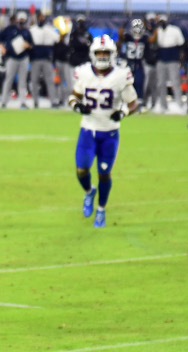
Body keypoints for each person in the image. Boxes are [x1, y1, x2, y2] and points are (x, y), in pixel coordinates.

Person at [68, 34, 138, 228]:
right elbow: (73, 97)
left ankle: (101, 209)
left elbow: (133, 103)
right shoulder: (84, 73)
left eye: (105, 52)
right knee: (81, 169)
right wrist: (77, 106)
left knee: (104, 174)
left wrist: (122, 112)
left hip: (110, 134)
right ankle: (89, 191)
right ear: (93, 54)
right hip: (88, 131)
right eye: (98, 52)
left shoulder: (120, 75)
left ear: (112, 54)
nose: (101, 56)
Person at [0, 11, 33, 109]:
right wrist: (2, 47)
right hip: (12, 58)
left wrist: (28, 46)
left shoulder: (26, 31)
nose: (21, 21)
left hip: (23, 58)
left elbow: (31, 45)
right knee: (8, 79)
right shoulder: (10, 29)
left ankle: (22, 102)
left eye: (23, 20)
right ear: (17, 19)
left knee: (22, 81)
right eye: (20, 19)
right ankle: (4, 102)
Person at [150, 14, 184, 113]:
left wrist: (180, 60)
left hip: (172, 58)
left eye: (163, 22)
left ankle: (179, 105)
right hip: (161, 57)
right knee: (161, 83)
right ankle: (163, 105)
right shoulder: (158, 31)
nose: (162, 24)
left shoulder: (175, 30)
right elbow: (153, 44)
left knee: (175, 82)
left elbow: (181, 44)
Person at [29, 11, 57, 108]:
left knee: (50, 81)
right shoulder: (32, 30)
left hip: (46, 59)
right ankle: (35, 102)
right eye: (40, 17)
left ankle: (53, 101)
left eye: (43, 17)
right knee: (34, 81)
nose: (41, 19)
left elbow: (57, 39)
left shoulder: (49, 29)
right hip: (35, 59)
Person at [120, 19, 147, 105]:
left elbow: (152, 39)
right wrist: (122, 26)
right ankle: (126, 101)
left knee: (139, 82)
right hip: (129, 63)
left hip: (139, 63)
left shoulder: (144, 38)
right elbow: (121, 36)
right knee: (127, 82)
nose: (137, 31)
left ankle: (139, 102)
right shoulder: (128, 37)